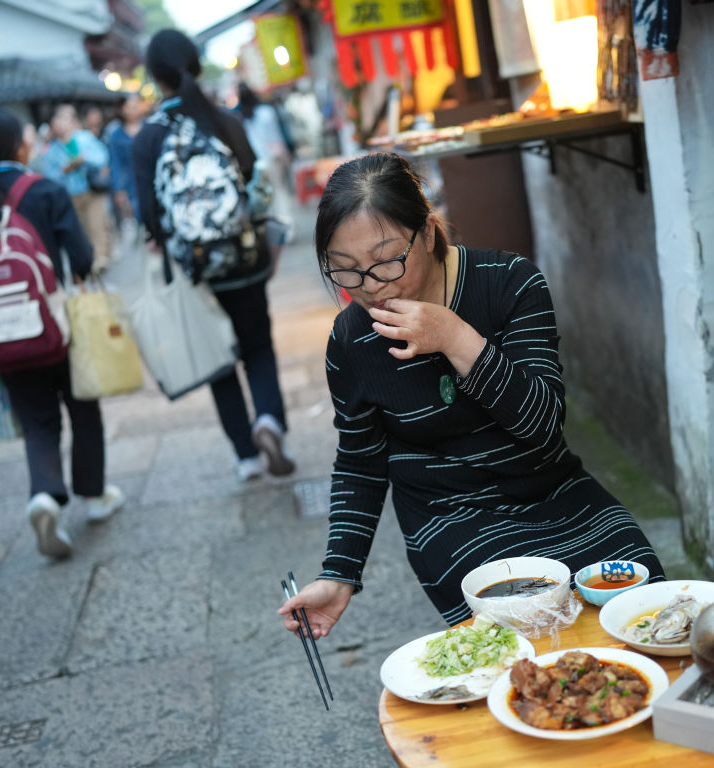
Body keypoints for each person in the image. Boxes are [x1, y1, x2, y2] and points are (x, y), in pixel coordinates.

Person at [278, 153, 665, 635]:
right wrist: (339, 574)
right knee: (525, 626)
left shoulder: (510, 283)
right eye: (346, 270)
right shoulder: (351, 340)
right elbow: (360, 462)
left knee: (646, 601)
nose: (372, 287)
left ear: (427, 231)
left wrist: (456, 338)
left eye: (386, 261)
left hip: (555, 492)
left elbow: (543, 426)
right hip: (451, 518)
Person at [0, 105, 124, 559]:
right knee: (82, 407)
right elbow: (82, 257)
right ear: (20, 146)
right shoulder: (44, 190)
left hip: (1, 335)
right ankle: (94, 496)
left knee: (37, 420)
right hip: (55, 326)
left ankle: (45, 495)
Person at [132, 29, 294, 480]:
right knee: (258, 347)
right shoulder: (226, 122)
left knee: (218, 358)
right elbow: (257, 191)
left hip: (194, 271)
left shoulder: (147, 139)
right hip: (245, 259)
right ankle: (269, 421)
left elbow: (149, 216)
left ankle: (246, 456)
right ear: (197, 67)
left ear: (154, 76)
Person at [41, 104, 112, 272]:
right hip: (69, 195)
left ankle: (100, 259)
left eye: (66, 119)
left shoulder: (83, 138)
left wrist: (84, 160)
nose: (62, 123)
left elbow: (102, 157)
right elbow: (49, 177)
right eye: (58, 119)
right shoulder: (51, 150)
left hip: (91, 190)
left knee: (96, 225)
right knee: (81, 230)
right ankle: (89, 260)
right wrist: (64, 170)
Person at [236, 83, 295, 241]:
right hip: (272, 158)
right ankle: (287, 229)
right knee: (280, 192)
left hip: (256, 163)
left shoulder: (242, 118)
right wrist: (285, 155)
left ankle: (274, 233)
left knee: (265, 198)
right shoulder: (265, 112)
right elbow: (276, 136)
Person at [107, 94, 146, 242]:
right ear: (122, 109)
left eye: (136, 106)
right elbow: (115, 163)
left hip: (148, 180)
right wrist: (118, 190)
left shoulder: (148, 128)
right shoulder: (116, 134)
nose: (133, 110)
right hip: (129, 184)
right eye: (129, 107)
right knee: (133, 224)